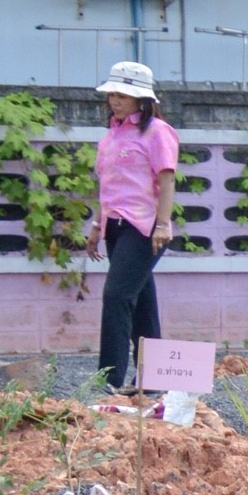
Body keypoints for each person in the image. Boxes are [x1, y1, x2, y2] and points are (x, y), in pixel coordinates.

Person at [86, 61, 180, 390]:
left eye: (123, 94)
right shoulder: (111, 136)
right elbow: (108, 186)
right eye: (112, 93)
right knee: (141, 303)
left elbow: (167, 180)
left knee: (116, 297)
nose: (115, 99)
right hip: (115, 227)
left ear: (142, 99)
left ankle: (107, 379)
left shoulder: (157, 132)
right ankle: (154, 380)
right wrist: (98, 224)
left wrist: (163, 225)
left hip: (145, 228)